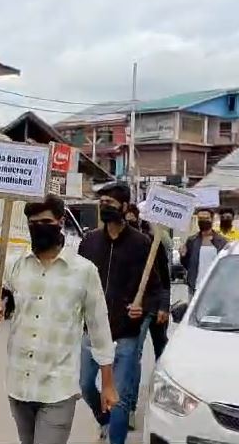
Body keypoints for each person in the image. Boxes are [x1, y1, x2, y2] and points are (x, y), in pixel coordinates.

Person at [0, 195, 117, 444]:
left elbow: (99, 329)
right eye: (33, 223)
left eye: (45, 221)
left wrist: (107, 384)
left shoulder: (83, 271)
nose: (38, 228)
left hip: (58, 388)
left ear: (60, 222)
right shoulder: (13, 266)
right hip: (19, 385)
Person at [76, 183, 161, 444]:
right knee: (87, 386)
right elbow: (77, 280)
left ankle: (117, 437)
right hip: (93, 332)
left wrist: (143, 307)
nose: (105, 206)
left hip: (126, 334)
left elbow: (154, 288)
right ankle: (105, 421)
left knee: (120, 398)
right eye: (102, 201)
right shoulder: (89, 242)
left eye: (110, 203)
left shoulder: (141, 243)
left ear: (124, 208)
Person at [124, 204, 171, 428]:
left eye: (134, 219)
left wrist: (164, 306)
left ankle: (168, 400)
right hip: (137, 310)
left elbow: (165, 279)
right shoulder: (124, 245)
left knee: (163, 353)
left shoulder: (155, 243)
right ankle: (129, 407)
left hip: (156, 308)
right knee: (133, 356)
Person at [181, 208, 228, 297]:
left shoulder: (222, 242)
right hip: (195, 288)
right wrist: (183, 255)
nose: (203, 221)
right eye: (201, 219)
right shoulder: (192, 240)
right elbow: (187, 265)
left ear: (212, 219)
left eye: (206, 218)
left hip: (216, 289)